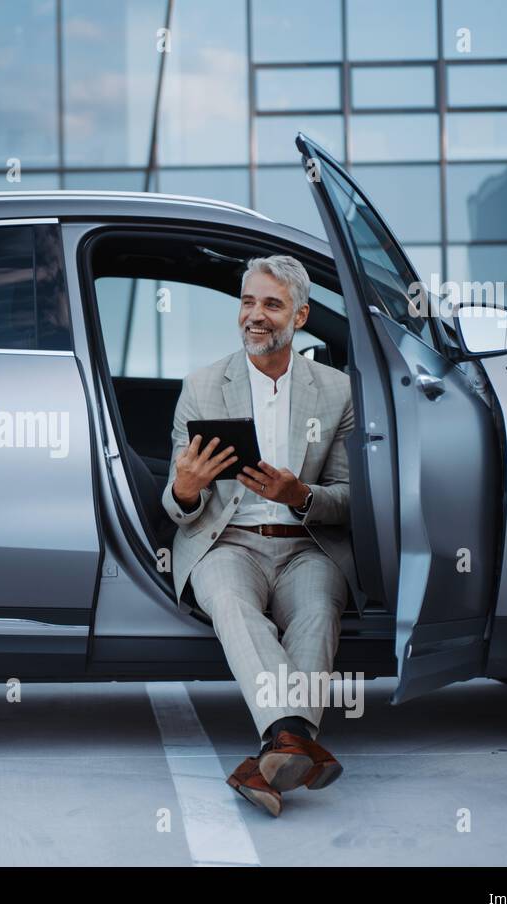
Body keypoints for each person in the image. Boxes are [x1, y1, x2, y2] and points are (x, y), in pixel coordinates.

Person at [161, 254, 357, 817]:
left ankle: (272, 754)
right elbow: (176, 507)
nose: (255, 315)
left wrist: (301, 496)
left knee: (320, 609)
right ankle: (292, 740)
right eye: (248, 302)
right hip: (225, 543)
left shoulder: (336, 392)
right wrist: (187, 490)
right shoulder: (201, 387)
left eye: (271, 304)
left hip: (305, 545)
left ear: (300, 316)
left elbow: (347, 501)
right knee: (230, 603)